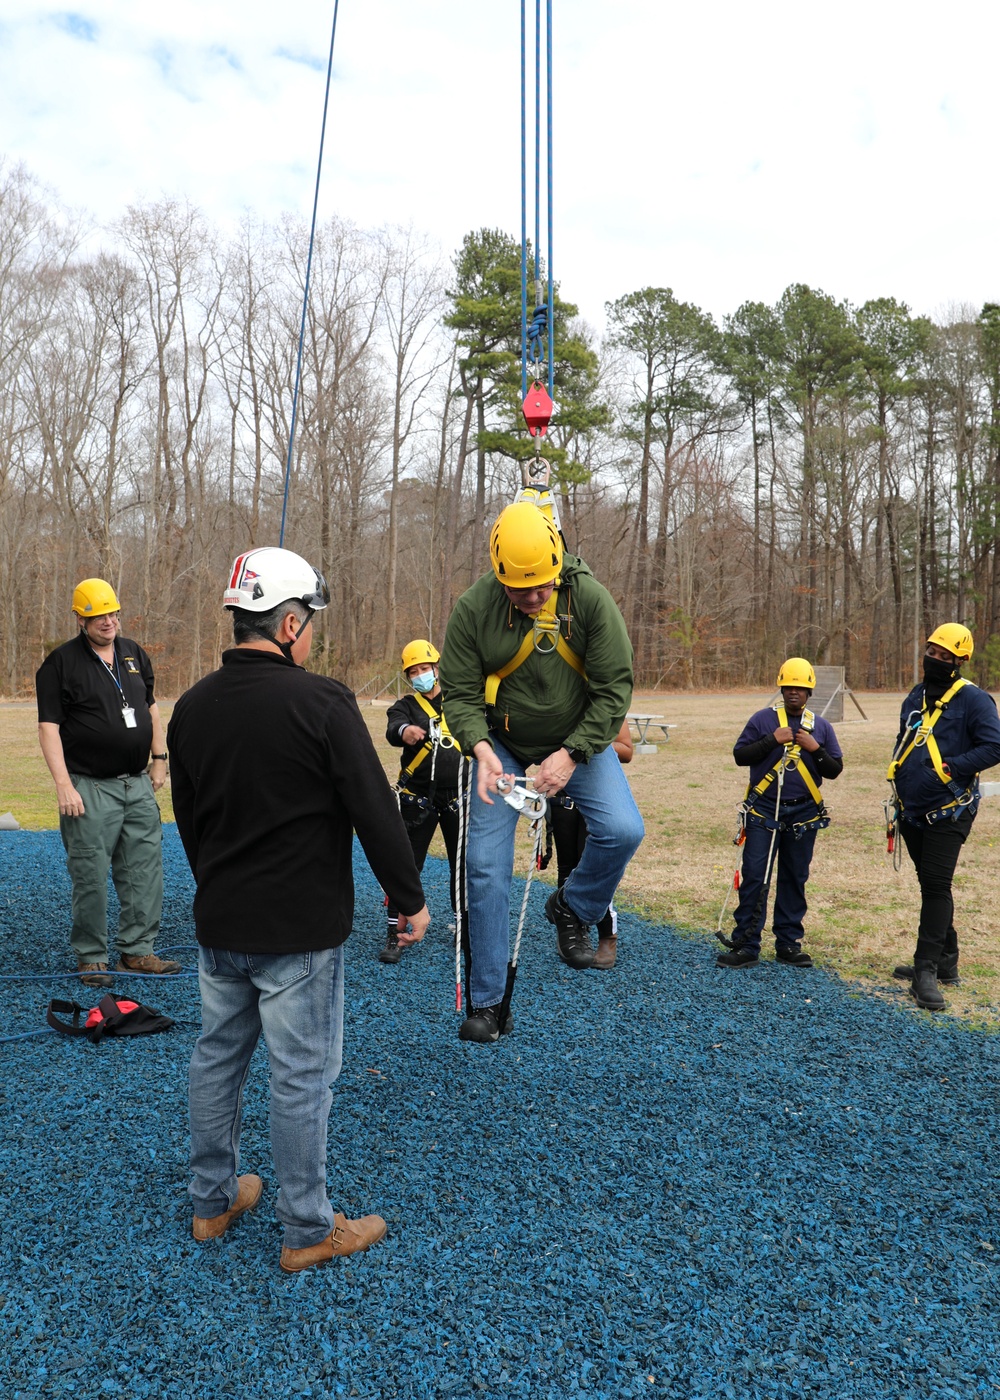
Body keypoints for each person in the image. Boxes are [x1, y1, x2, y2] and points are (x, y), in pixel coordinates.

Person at [167, 547, 430, 1273]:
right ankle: (308, 1227)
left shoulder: (189, 709)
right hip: (299, 935)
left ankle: (212, 1201)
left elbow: (190, 822)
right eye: (308, 620)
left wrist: (220, 886)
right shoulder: (322, 703)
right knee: (302, 1076)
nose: (311, 633)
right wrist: (407, 899)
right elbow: (375, 809)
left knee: (217, 1059)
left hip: (221, 923)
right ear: (288, 625)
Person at [438, 501, 645, 1043]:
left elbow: (613, 691)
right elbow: (458, 694)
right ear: (499, 575)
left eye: (543, 588)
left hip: (577, 740)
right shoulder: (473, 610)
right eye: (520, 590)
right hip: (499, 746)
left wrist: (573, 754)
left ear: (558, 568)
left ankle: (573, 906)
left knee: (624, 830)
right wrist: (479, 748)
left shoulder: (592, 602)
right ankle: (487, 1003)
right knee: (484, 864)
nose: (533, 599)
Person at [35, 577, 179, 988]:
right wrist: (63, 785)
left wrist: (159, 759)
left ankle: (137, 951)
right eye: (99, 616)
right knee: (90, 873)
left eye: (113, 613)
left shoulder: (133, 653)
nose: (108, 622)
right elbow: (48, 729)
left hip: (137, 783)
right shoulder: (60, 664)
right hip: (89, 787)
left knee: (144, 869)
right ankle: (92, 956)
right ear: (81, 618)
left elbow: (151, 710)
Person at [888, 624, 1000, 1011]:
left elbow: (994, 747)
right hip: (912, 809)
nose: (934, 660)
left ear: (960, 661)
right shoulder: (916, 696)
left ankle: (926, 970)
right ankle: (947, 961)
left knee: (936, 886)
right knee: (931, 883)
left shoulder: (975, 701)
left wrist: (951, 769)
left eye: (944, 656)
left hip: (949, 812)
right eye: (931, 652)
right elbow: (905, 738)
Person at [717, 658, 843, 970]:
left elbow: (835, 769)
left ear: (809, 691)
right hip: (763, 811)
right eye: (788, 688)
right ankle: (746, 944)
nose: (793, 694)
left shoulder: (821, 728)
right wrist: (772, 740)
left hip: (803, 814)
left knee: (794, 878)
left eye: (800, 688)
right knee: (755, 877)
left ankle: (788, 943)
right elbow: (739, 755)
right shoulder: (763, 720)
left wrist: (815, 748)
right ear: (781, 688)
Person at [379, 640, 466, 965]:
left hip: (458, 797)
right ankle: (395, 932)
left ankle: (464, 928)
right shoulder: (405, 705)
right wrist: (405, 731)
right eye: (413, 672)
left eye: (424, 669)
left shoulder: (458, 700)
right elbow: (392, 728)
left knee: (463, 867)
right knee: (407, 865)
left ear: (436, 667)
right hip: (418, 801)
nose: (420, 676)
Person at [547, 718, 634, 969]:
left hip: (597, 800)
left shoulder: (606, 705)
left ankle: (608, 937)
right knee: (566, 868)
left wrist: (585, 745)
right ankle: (573, 932)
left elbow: (627, 750)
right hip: (562, 799)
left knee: (599, 870)